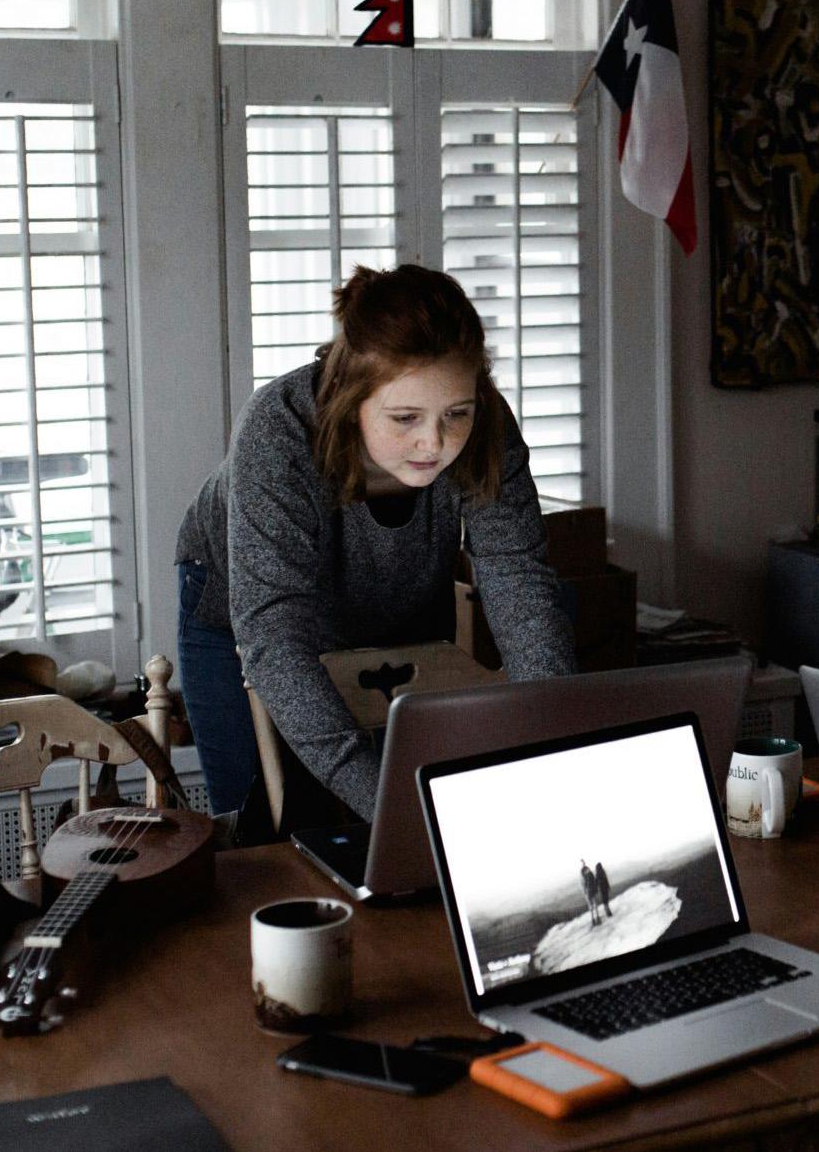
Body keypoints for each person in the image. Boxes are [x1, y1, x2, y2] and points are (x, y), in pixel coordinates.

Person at [175, 264, 575, 820]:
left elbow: (519, 579)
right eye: (405, 417)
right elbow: (275, 637)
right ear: (348, 396)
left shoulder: (487, 427)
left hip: (398, 593)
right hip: (247, 610)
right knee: (262, 828)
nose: (434, 442)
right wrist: (387, 806)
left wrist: (555, 741)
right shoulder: (277, 431)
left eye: (456, 413)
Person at [580, 860, 602, 926]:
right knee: (595, 905)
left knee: (591, 906)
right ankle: (598, 918)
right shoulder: (590, 873)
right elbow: (595, 881)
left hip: (587, 893)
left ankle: (593, 920)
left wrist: (585, 892)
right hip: (593, 891)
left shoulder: (582, 876)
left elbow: (583, 885)